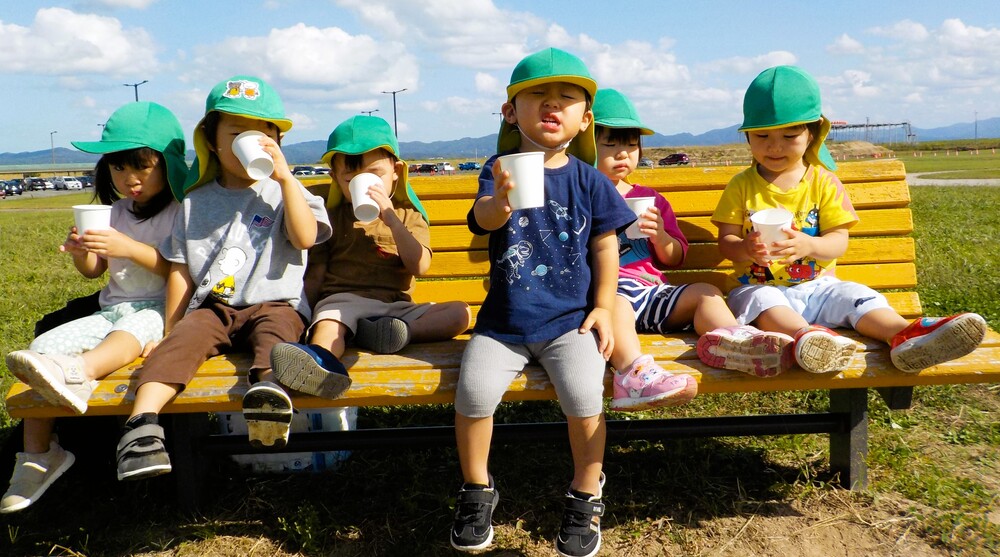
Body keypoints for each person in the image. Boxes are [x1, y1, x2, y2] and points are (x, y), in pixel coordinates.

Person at [449, 47, 634, 557]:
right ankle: (476, 489)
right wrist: (499, 201)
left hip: (568, 323)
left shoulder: (590, 181)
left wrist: (601, 306)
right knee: (474, 394)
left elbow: (605, 245)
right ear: (511, 112)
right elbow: (484, 218)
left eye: (567, 100)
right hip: (502, 324)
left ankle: (586, 492)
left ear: (585, 119)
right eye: (537, 97)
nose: (552, 107)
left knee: (584, 397)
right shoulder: (497, 168)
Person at [114, 75, 332, 482]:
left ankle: (268, 399)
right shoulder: (196, 201)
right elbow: (180, 267)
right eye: (237, 132)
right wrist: (172, 327)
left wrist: (286, 180)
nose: (254, 141)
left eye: (266, 131)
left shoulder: (291, 192)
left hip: (275, 303)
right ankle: (141, 425)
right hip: (214, 306)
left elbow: (304, 238)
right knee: (180, 344)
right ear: (212, 142)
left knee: (278, 339)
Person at [711, 65, 986, 375]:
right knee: (763, 299)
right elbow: (726, 243)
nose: (775, 146)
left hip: (818, 286)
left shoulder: (823, 183)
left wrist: (809, 244)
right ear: (748, 136)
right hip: (756, 286)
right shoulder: (741, 186)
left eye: (789, 135)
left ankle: (903, 334)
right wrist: (746, 249)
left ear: (812, 134)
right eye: (762, 135)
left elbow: (838, 243)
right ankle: (808, 339)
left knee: (854, 296)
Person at [2, 101, 187, 512]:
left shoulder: (180, 213)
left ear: (169, 165)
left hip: (160, 309)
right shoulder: (115, 212)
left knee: (130, 332)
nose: (129, 179)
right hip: (111, 308)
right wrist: (80, 251)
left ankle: (82, 373)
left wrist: (131, 248)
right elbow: (93, 272)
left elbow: (178, 270)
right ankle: (39, 454)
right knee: (43, 349)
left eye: (142, 166)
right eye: (119, 168)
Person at [591, 89, 795, 400]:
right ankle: (632, 373)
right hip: (607, 296)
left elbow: (675, 259)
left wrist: (659, 235)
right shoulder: (578, 196)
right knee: (617, 304)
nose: (623, 154)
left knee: (706, 292)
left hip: (651, 293)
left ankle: (736, 342)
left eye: (632, 145)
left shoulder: (651, 199)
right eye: (610, 144)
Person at [269, 115, 471, 395]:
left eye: (375, 176)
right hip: (343, 301)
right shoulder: (331, 215)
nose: (364, 186)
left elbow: (420, 266)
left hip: (397, 310)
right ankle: (321, 364)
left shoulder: (407, 215)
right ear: (335, 179)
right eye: (350, 179)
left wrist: (391, 220)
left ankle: (394, 335)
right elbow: (317, 271)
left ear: (397, 171)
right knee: (330, 325)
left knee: (459, 313)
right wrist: (305, 315)